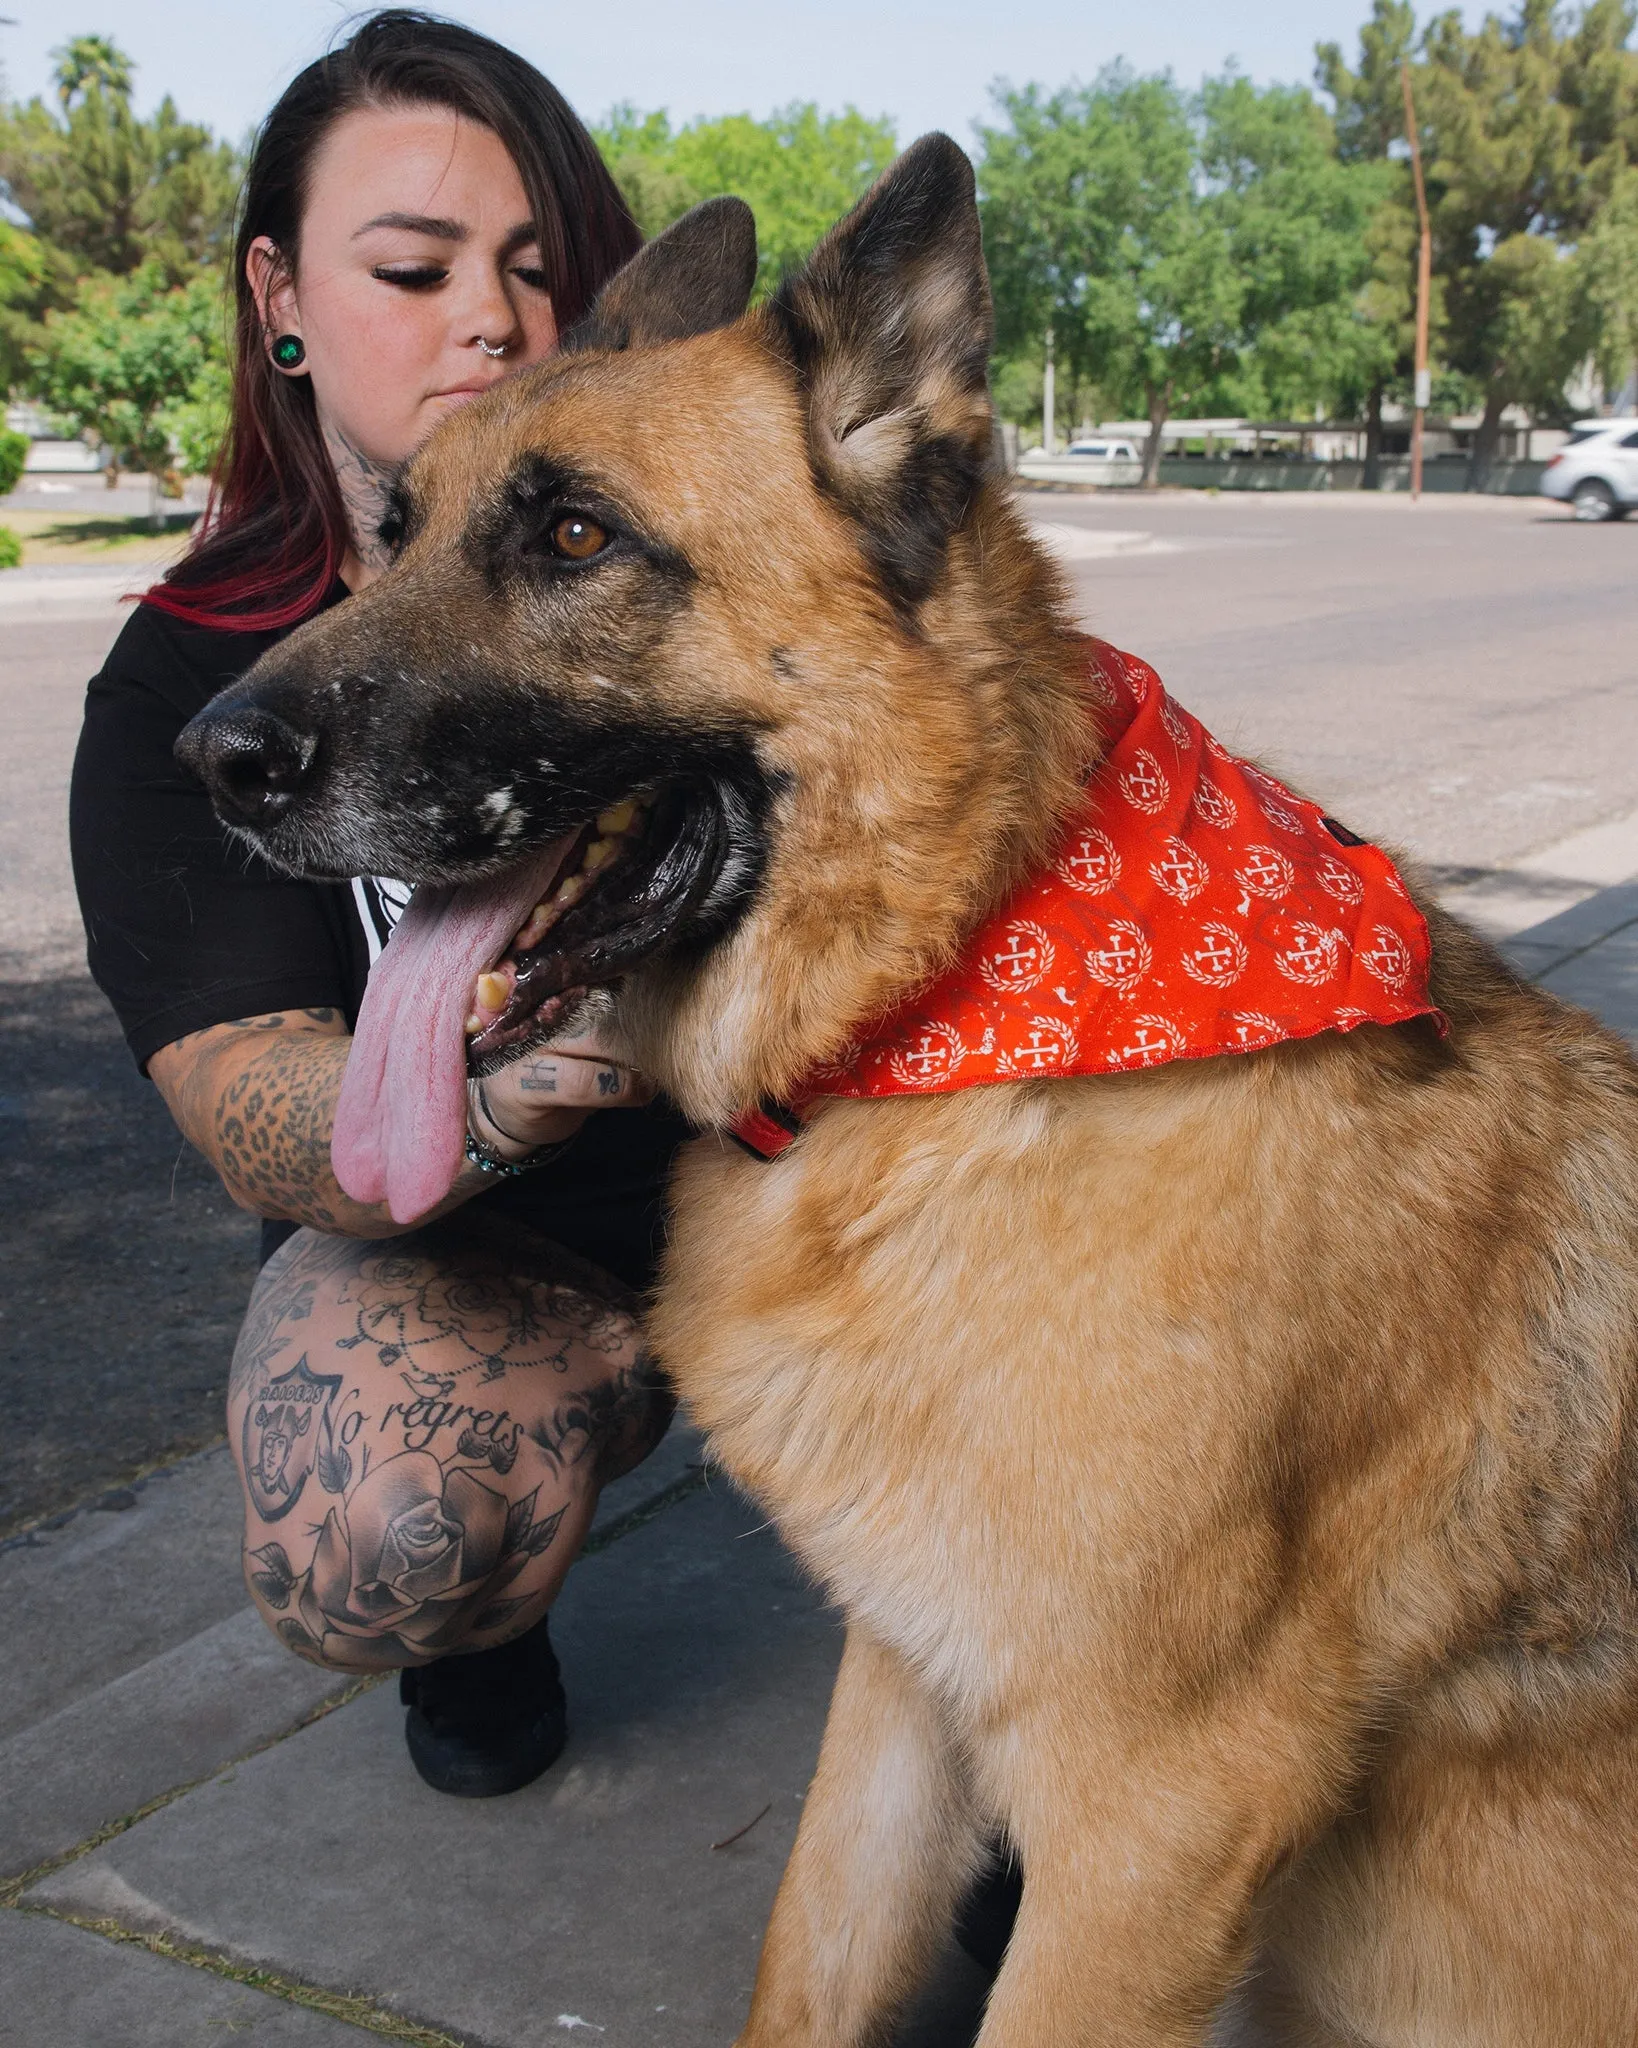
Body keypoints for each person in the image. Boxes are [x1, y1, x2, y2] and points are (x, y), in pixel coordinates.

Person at [69, 10, 688, 1800]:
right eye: (411, 268)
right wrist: (501, 1091)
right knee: (378, 1525)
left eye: (534, 271)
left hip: (788, 1163)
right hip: (500, 1242)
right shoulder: (194, 679)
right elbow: (249, 1091)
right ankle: (483, 1637)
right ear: (281, 291)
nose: (487, 320)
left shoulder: (696, 555)